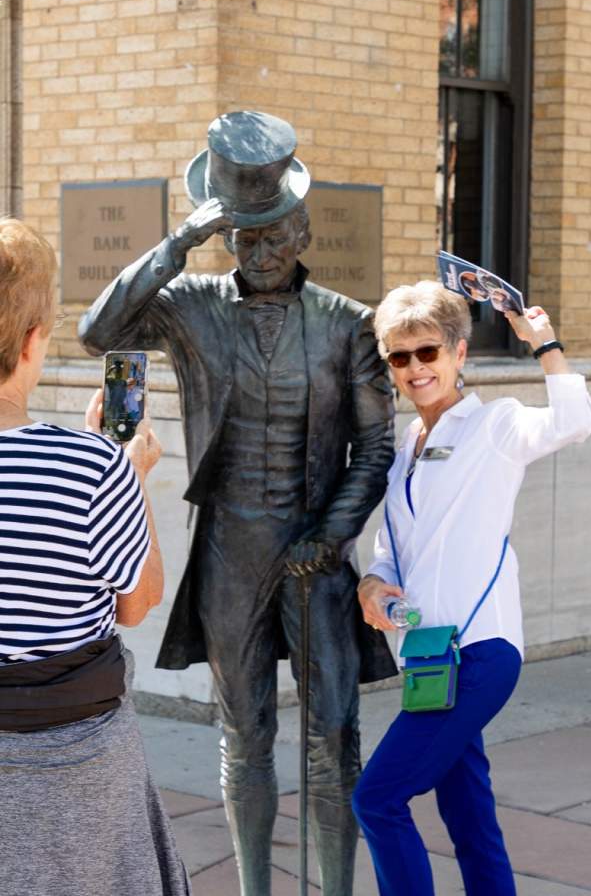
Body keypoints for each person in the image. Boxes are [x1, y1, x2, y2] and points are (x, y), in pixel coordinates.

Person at [78, 110, 397, 896]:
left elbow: (376, 448)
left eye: (272, 235)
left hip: (314, 553)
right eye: (241, 237)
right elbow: (98, 330)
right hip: (228, 547)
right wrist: (178, 242)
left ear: (304, 230)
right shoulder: (191, 304)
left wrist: (329, 536)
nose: (256, 252)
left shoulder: (347, 325)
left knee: (332, 736)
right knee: (244, 733)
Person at [352, 279, 591, 896]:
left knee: (378, 799)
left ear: (459, 353)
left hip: (479, 654)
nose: (415, 368)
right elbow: (393, 547)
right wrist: (375, 584)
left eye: (427, 352)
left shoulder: (495, 425)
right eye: (399, 357)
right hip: (430, 659)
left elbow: (575, 421)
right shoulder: (406, 446)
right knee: (469, 816)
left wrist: (543, 342)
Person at [0, 218, 190, 896]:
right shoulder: (91, 464)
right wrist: (123, 477)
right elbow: (136, 602)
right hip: (79, 764)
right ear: (31, 341)